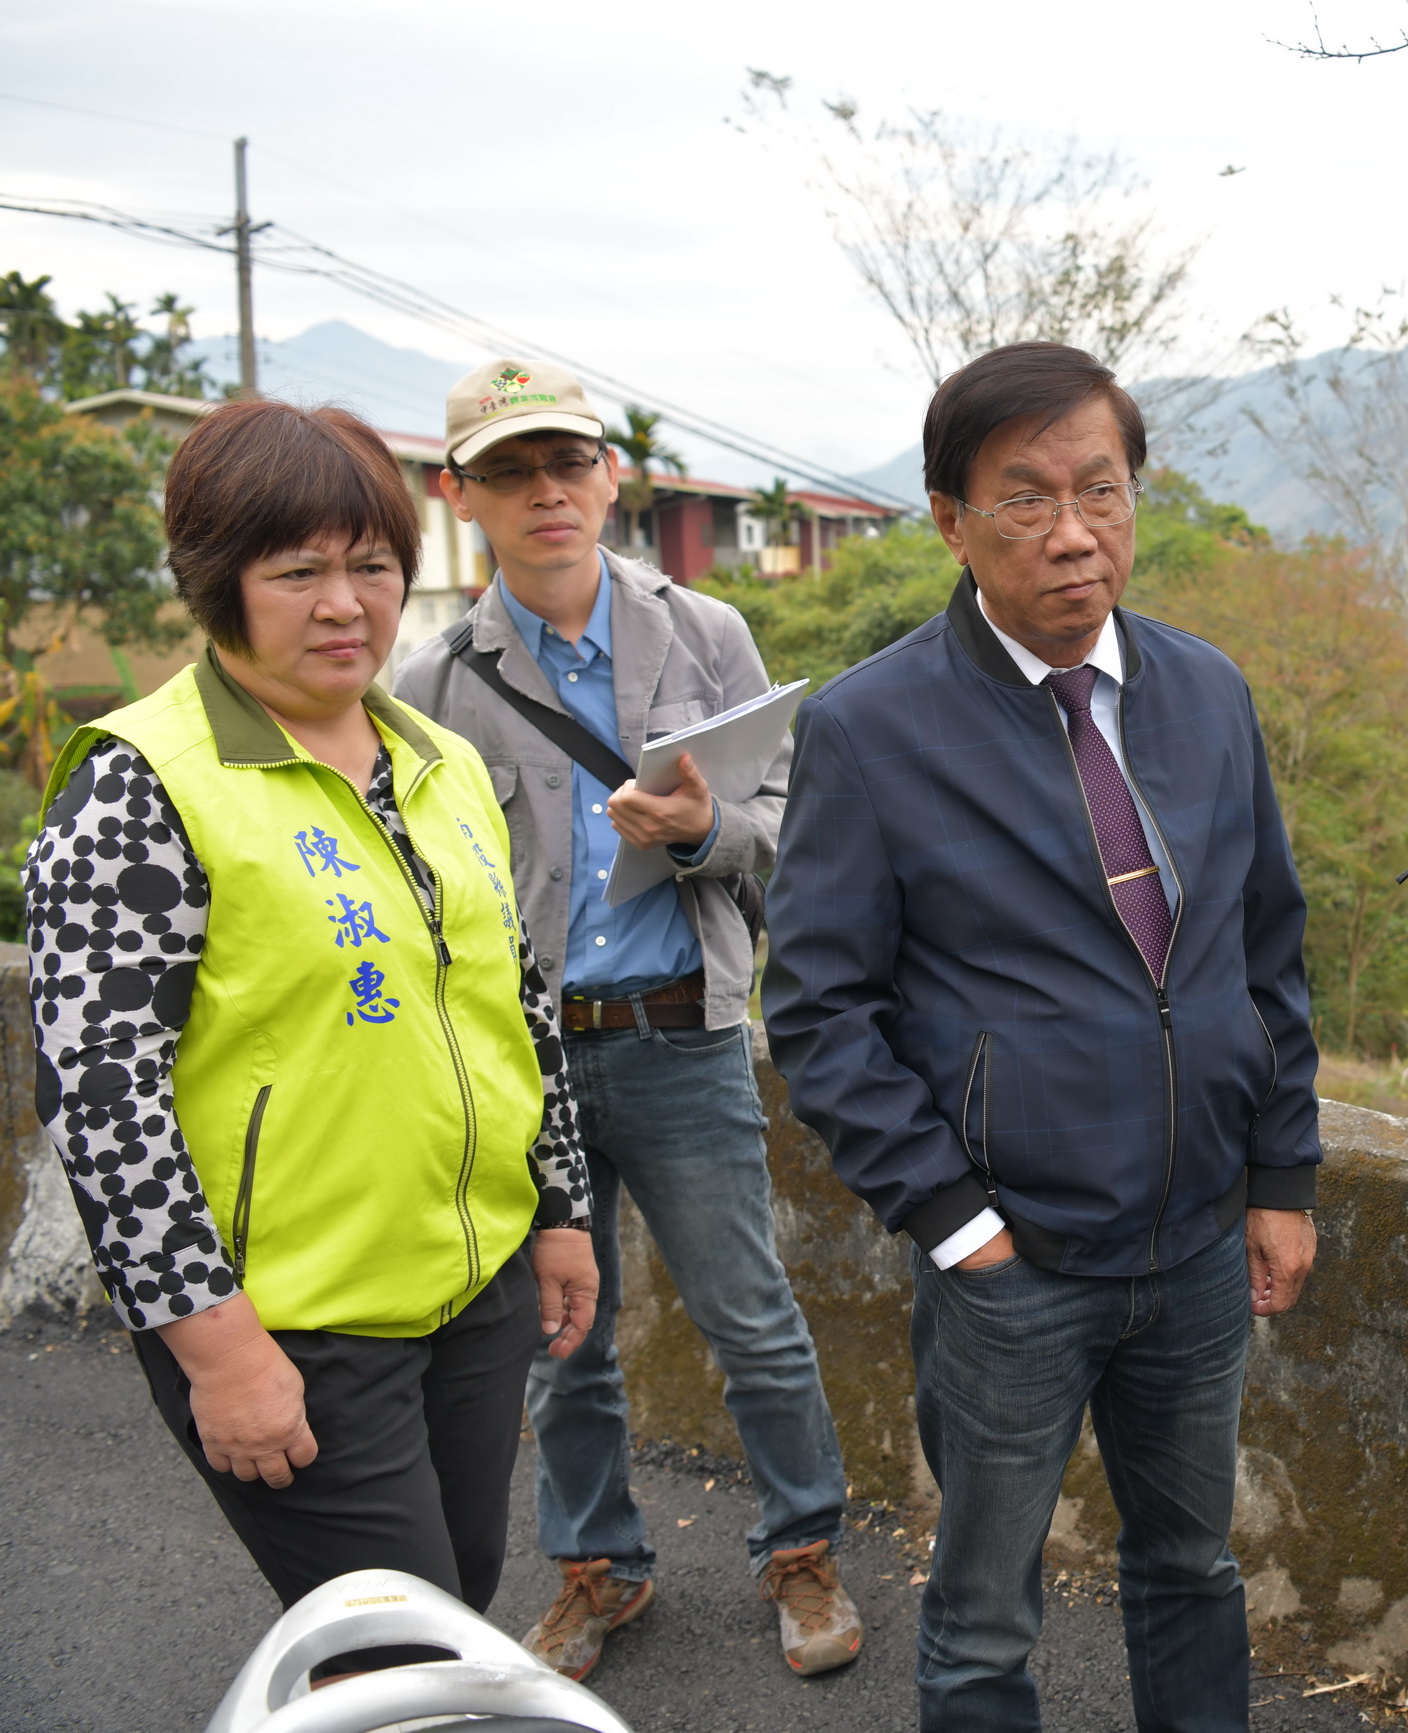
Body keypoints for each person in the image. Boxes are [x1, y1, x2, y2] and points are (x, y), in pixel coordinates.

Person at [763, 341, 1323, 1733]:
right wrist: (956, 1223)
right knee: (983, 1613)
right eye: (1025, 499)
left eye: (1101, 490)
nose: (1074, 534)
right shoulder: (871, 728)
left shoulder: (1206, 691)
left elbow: (1265, 948)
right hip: (1013, 1257)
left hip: (1198, 1246)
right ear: (950, 521)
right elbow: (820, 1010)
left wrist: (1283, 1173)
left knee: (1192, 1567)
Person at [22, 398, 595, 1674]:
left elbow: (514, 1002)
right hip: (291, 1322)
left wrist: (555, 1208)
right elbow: (100, 1092)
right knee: (412, 1660)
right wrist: (215, 1345)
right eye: (298, 572)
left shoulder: (435, 756)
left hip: (471, 1288)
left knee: (452, 1604)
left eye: (373, 566)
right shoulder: (140, 783)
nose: (346, 603)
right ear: (217, 581)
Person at [392, 358, 857, 1683]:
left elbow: (787, 831)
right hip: (525, 1056)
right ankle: (597, 1571)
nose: (546, 492)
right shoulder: (436, 682)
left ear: (609, 477)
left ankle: (803, 1553)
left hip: (681, 1029)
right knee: (561, 1342)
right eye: (509, 471)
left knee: (752, 1313)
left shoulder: (706, 636)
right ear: (460, 494)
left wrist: (707, 830)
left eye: (567, 463)